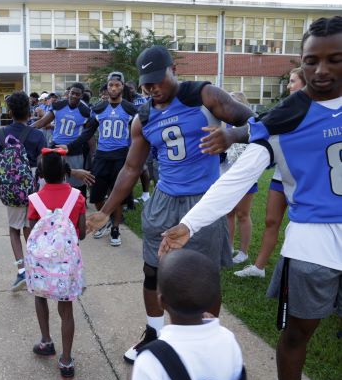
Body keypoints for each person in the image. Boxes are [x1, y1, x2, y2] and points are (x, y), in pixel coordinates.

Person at [158, 16, 342, 380]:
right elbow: (239, 177)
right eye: (311, 61)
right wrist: (189, 224)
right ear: (301, 61)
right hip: (313, 241)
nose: (321, 70)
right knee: (296, 335)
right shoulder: (286, 118)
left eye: (335, 59)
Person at [86, 46, 253, 364]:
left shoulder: (203, 95)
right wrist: (106, 211)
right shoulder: (143, 116)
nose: (153, 89)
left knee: (204, 276)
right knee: (152, 271)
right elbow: (131, 169)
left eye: (158, 80)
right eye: (147, 83)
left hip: (203, 200)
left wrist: (231, 135)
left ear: (173, 69)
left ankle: (207, 342)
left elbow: (258, 124)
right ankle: (154, 334)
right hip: (164, 198)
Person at [128, 249, 244, 380]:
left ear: (161, 301)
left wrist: (132, 376)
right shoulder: (228, 340)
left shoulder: (150, 360)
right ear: (213, 299)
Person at [235, 68, 306, 278]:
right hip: (279, 176)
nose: (289, 85)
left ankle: (300, 268)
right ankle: (259, 267)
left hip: (303, 179)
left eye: (293, 81)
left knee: (300, 225)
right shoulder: (284, 110)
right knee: (271, 221)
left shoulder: (316, 111)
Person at [27, 149, 86, 380]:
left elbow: (32, 232)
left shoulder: (34, 200)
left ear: (40, 173)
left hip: (42, 264)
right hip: (66, 267)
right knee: (66, 309)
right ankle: (66, 360)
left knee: (40, 297)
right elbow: (80, 234)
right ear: (66, 172)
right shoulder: (77, 197)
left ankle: (46, 341)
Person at [63, 72, 139, 247]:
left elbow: (139, 134)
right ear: (107, 86)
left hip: (121, 156)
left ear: (122, 86)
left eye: (117, 85)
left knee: (116, 194)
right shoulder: (98, 109)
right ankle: (107, 219)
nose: (113, 88)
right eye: (111, 85)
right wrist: (70, 146)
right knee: (96, 195)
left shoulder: (130, 109)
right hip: (102, 156)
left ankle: (115, 229)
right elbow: (87, 133)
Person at [0, 91, 47, 290]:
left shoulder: (1, 133)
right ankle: (36, 269)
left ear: (10, 111)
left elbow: (0, 159)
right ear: (29, 110)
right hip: (34, 183)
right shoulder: (38, 135)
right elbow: (43, 164)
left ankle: (21, 271)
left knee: (14, 229)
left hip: (12, 186)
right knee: (31, 228)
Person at [33, 82, 91, 198]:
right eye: (72, 93)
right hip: (56, 148)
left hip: (74, 150)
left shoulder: (85, 112)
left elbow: (88, 135)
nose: (74, 96)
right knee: (53, 181)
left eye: (77, 94)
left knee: (74, 185)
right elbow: (42, 122)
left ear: (82, 95)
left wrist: (92, 154)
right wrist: (25, 130)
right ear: (68, 92)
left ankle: (75, 207)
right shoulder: (58, 106)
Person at [222, 91, 258, 265]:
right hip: (227, 175)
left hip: (246, 175)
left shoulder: (252, 125)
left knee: (243, 214)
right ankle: (228, 248)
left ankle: (244, 252)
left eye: (234, 103)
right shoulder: (225, 124)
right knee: (228, 213)